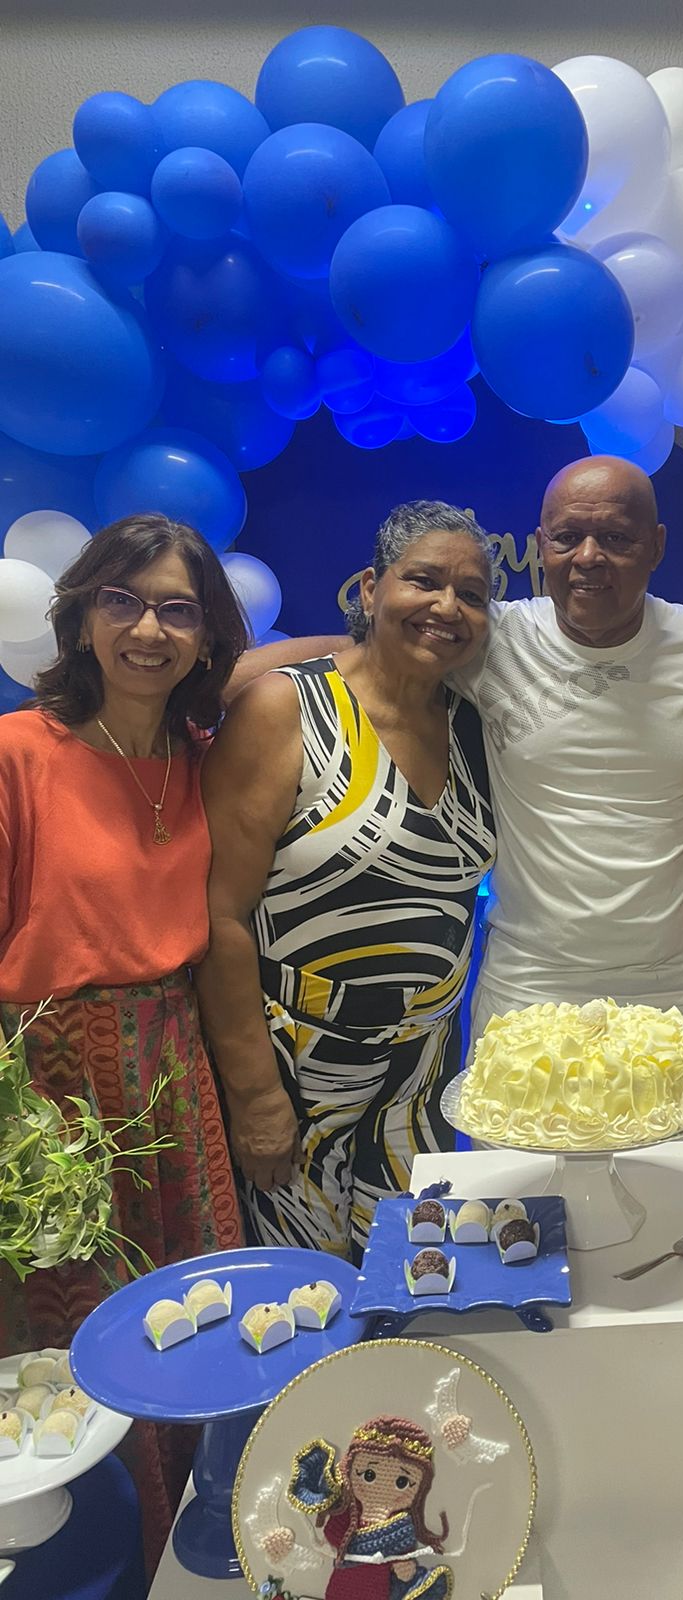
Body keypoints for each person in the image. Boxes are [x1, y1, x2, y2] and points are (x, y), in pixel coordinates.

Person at [234, 457, 683, 1066]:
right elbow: (374, 656)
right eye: (567, 537)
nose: (589, 557)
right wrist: (199, 692)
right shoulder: (491, 638)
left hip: (680, 984)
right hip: (530, 985)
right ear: (542, 545)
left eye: (617, 538)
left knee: (681, 1135)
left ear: (656, 546)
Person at [0, 513, 248, 1566]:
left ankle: (207, 1546)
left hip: (175, 1068)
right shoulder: (18, 752)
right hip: (53, 1086)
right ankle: (108, 1558)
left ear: (207, 634)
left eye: (177, 609)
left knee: (198, 1314)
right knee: (81, 1333)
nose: (148, 629)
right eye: (123, 601)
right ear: (81, 615)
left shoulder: (201, 760)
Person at [196, 502, 495, 1260]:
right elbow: (220, 917)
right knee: (305, 1294)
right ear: (369, 587)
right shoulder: (285, 709)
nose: (446, 607)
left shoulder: (474, 726)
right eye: (422, 581)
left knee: (413, 1278)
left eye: (470, 594)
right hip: (297, 1071)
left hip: (423, 1075)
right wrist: (255, 1096)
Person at [290, 1417, 453, 1600]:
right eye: (369, 1475)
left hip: (377, 1589)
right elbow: (333, 1533)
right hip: (343, 1586)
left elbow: (403, 1561)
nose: (384, 1487)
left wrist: (403, 1566)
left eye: (402, 1482)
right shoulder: (350, 1513)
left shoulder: (402, 1527)